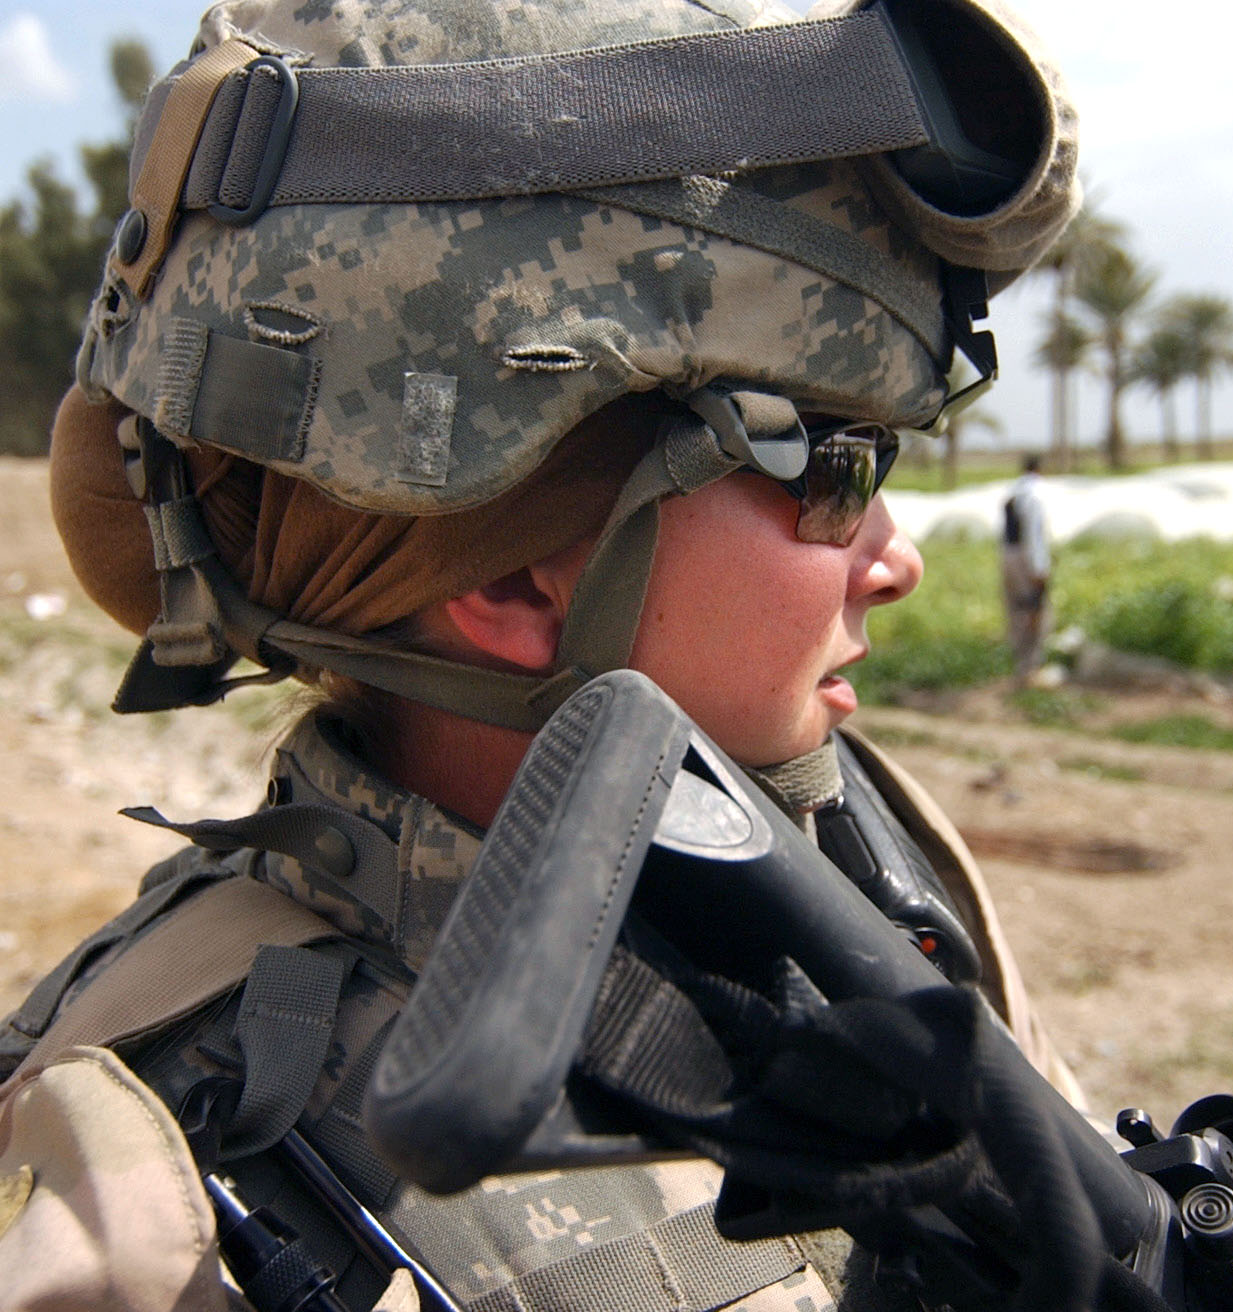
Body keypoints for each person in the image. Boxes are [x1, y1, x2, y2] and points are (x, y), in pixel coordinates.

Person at [0, 0, 1084, 1308]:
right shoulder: (149, 1211)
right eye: (835, 470)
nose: (895, 558)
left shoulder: (859, 860)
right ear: (515, 573)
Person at [1001, 455, 1052, 683]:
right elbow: (1035, 535)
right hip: (1026, 558)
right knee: (1035, 611)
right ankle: (1031, 668)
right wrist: (1039, 569)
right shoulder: (1036, 493)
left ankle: (1020, 665)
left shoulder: (1014, 490)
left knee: (1016, 611)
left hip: (1008, 556)